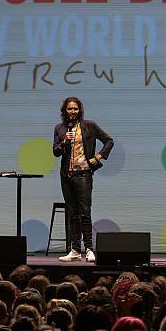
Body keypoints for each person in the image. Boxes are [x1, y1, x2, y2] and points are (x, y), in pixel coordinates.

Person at [53, 96, 114, 262]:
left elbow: (109, 140)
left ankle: (89, 248)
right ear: (64, 111)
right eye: (69, 109)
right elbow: (56, 151)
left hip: (84, 174)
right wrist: (65, 141)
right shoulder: (60, 128)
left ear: (80, 110)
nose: (72, 111)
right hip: (66, 175)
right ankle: (74, 250)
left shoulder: (89, 126)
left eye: (75, 109)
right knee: (72, 213)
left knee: (84, 212)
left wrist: (99, 157)